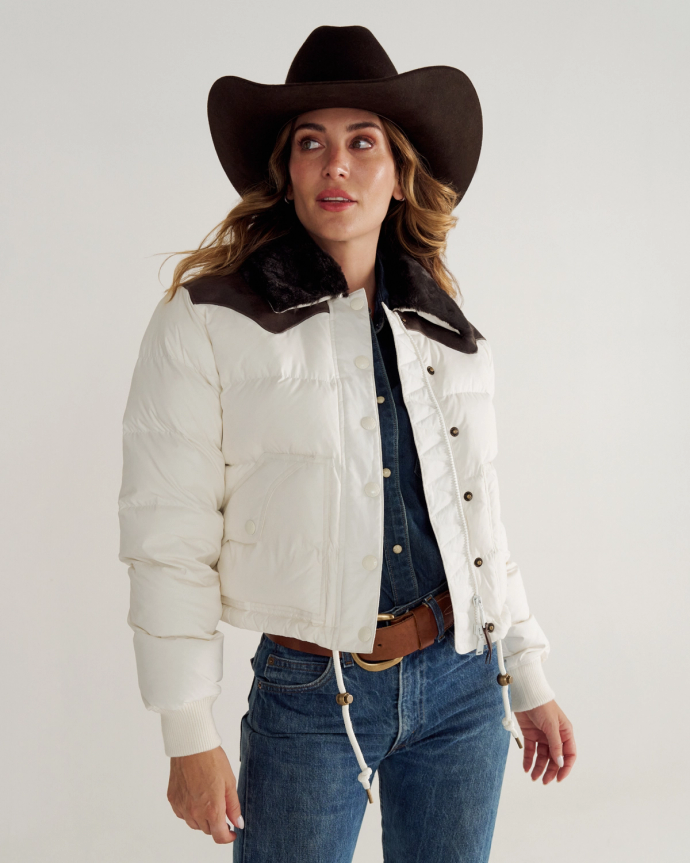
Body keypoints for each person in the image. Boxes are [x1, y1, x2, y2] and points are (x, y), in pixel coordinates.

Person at [118, 25, 576, 863]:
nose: (336, 164)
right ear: (287, 174)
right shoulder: (209, 321)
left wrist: (529, 671)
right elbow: (166, 538)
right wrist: (188, 730)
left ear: (399, 173)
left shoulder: (450, 333)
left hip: (465, 683)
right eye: (311, 144)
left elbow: (483, 528)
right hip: (310, 691)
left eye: (362, 142)